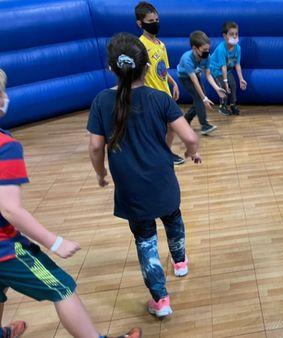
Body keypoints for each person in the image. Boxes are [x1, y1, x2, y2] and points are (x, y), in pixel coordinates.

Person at [0, 69, 141, 338]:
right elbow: (9, 209)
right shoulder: (5, 147)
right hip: (4, 247)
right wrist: (54, 241)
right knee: (62, 288)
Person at [87, 33, 201, 318]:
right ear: (147, 67)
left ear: (110, 67)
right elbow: (190, 135)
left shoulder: (101, 101)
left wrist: (101, 174)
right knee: (173, 218)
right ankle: (180, 262)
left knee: (145, 239)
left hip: (130, 189)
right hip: (162, 180)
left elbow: (95, 147)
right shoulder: (159, 98)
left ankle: (161, 300)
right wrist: (191, 152)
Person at [135, 1, 185, 164]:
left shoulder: (161, 45)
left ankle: (165, 153)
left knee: (171, 127)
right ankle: (155, 158)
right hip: (151, 96)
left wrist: (174, 83)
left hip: (165, 94)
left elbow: (163, 69)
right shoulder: (139, 46)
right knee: (159, 129)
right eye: (151, 21)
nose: (155, 24)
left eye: (157, 20)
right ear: (140, 23)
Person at [176, 31, 225, 135]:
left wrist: (217, 88)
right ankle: (204, 125)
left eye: (208, 49)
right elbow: (194, 81)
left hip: (196, 75)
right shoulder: (187, 59)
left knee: (200, 99)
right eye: (204, 50)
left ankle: (187, 118)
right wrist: (204, 98)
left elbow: (208, 75)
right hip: (185, 77)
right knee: (199, 98)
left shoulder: (207, 57)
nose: (207, 52)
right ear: (194, 48)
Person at [208, 21, 247, 116]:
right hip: (216, 69)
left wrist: (241, 79)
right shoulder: (221, 48)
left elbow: (237, 64)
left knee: (233, 84)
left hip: (227, 70)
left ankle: (233, 104)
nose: (234, 36)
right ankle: (222, 106)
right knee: (222, 86)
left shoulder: (238, 48)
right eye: (231, 34)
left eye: (236, 34)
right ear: (225, 36)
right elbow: (223, 66)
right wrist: (225, 82)